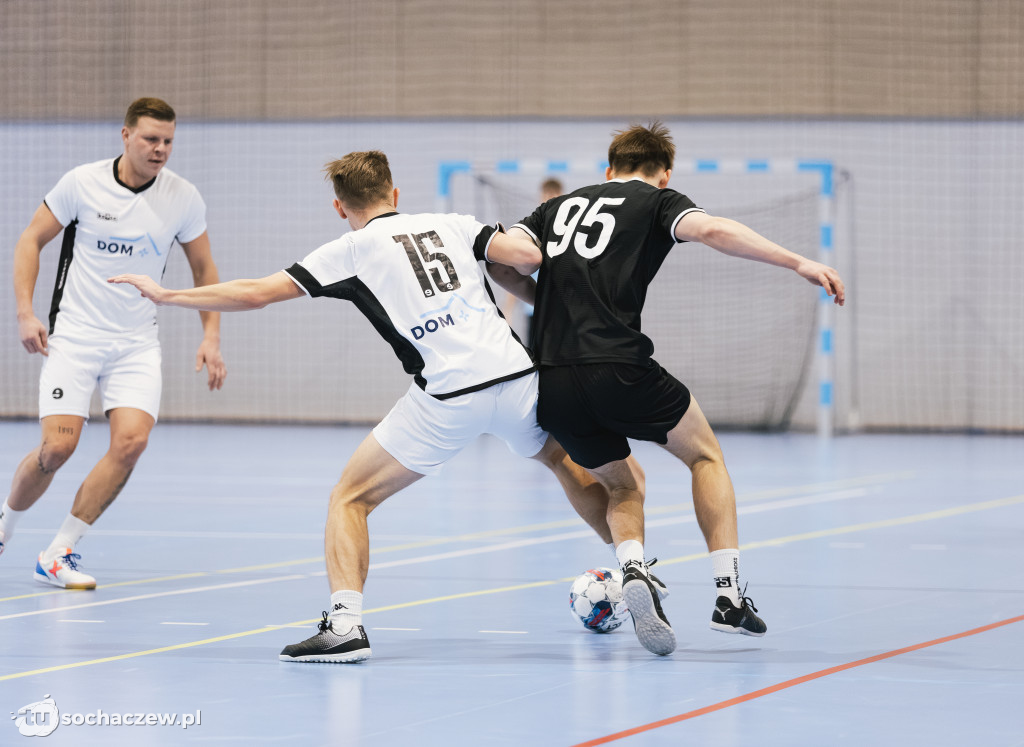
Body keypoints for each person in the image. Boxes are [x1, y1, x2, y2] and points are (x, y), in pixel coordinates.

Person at [109, 150, 631, 663]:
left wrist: (169, 295)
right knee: (566, 463)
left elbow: (255, 294)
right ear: (394, 193)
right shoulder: (449, 223)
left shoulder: (349, 250)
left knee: (349, 498)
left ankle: (344, 626)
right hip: (517, 376)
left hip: (448, 396)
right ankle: (636, 569)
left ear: (340, 207)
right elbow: (527, 256)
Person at [505, 122, 846, 655]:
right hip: (618, 366)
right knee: (704, 455)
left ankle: (635, 568)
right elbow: (712, 231)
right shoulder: (657, 202)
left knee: (621, 484)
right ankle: (729, 595)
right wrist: (797, 261)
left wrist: (545, 301)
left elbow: (503, 261)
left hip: (553, 378)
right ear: (664, 174)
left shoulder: (554, 209)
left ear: (608, 168)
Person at [0, 97, 227, 590]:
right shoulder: (81, 183)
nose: (160, 148)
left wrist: (211, 335)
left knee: (132, 442)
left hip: (136, 343)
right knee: (57, 449)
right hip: (75, 339)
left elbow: (204, 270)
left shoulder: (183, 198)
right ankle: (4, 528)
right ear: (125, 136)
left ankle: (59, 552)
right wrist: (25, 313)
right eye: (150, 138)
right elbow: (29, 241)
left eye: (168, 140)